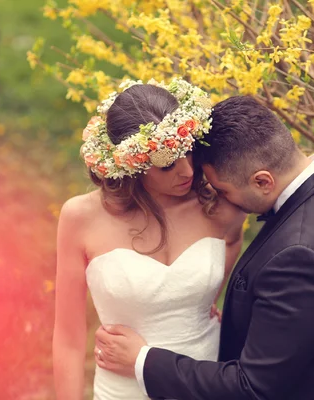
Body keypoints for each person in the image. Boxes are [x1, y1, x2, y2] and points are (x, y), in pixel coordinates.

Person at [93, 95, 314, 400]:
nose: (222, 199)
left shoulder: (300, 256)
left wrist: (142, 360)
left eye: (223, 190)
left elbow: (251, 388)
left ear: (263, 182)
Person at [52, 79, 246, 399]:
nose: (186, 172)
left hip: (205, 382)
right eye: (167, 164)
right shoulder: (80, 218)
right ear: (133, 163)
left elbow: (233, 238)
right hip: (122, 390)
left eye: (188, 153)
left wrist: (205, 294)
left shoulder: (216, 203)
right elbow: (69, 339)